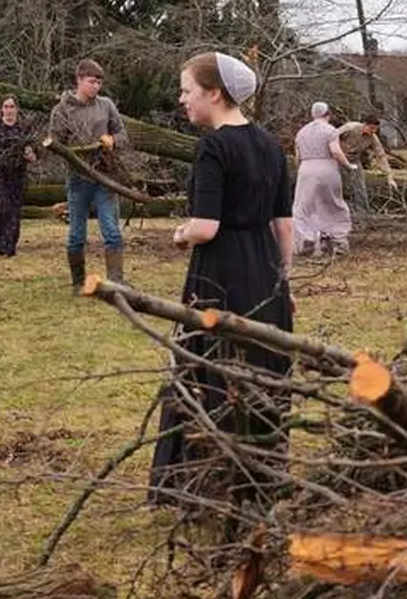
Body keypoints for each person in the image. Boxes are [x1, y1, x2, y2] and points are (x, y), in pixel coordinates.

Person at [148, 51, 296, 509]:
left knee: (206, 369)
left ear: (214, 93)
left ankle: (201, 483)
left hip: (220, 273)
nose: (182, 99)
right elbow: (285, 225)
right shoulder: (271, 146)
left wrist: (179, 233)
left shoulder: (213, 148)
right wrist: (283, 282)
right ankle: (258, 479)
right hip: (265, 270)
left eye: (188, 90)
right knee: (261, 369)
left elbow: (205, 226)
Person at [48, 58, 130, 293]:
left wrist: (112, 140)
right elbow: (55, 144)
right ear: (79, 80)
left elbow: (123, 134)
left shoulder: (106, 106)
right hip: (78, 179)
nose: (96, 87)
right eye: (92, 82)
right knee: (76, 234)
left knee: (111, 230)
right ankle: (77, 282)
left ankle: (116, 280)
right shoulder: (62, 110)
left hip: (106, 176)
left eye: (99, 83)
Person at [293, 101, 357, 256]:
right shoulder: (330, 130)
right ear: (328, 114)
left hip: (306, 169)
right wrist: (348, 165)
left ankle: (307, 238)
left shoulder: (301, 132)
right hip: (326, 168)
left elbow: (297, 156)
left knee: (304, 206)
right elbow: (335, 151)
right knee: (332, 203)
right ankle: (338, 240)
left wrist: (301, 170)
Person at [0, 96, 37, 257]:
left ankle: (9, 246)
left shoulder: (23, 129)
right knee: (0, 208)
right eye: (6, 106)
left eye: (12, 106)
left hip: (17, 175)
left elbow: (33, 153)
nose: (9, 110)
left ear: (17, 109)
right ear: (1, 109)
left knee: (14, 211)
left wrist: (31, 155)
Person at [333, 114, 397, 213]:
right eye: (371, 128)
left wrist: (390, 178)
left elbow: (381, 155)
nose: (373, 131)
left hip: (354, 159)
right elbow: (332, 137)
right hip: (338, 157)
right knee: (335, 183)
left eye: (375, 129)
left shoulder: (373, 138)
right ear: (365, 125)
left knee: (359, 184)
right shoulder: (350, 127)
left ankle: (363, 211)